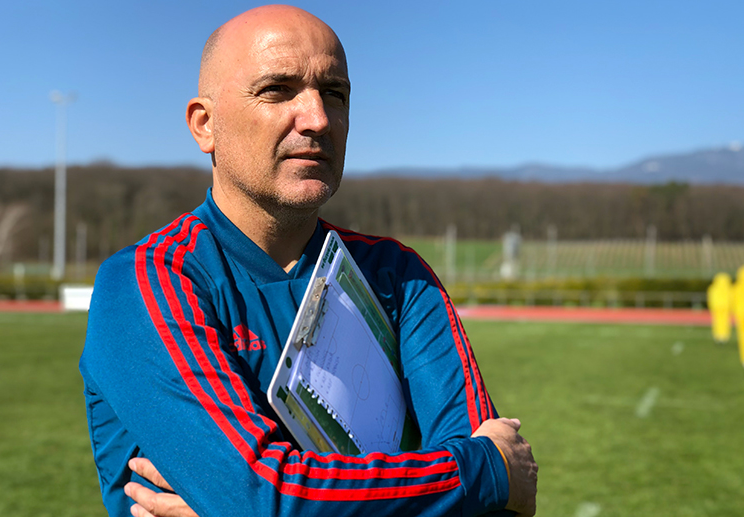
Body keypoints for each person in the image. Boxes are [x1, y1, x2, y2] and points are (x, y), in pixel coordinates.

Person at [79, 5, 537, 517]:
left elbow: (491, 515)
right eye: (277, 90)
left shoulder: (399, 276)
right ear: (204, 125)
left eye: (334, 93)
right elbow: (265, 498)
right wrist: (486, 472)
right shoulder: (148, 282)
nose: (318, 118)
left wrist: (247, 503)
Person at [707, 272, 733, 344]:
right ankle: (724, 336)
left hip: (717, 307)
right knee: (725, 321)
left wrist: (712, 306)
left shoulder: (713, 288)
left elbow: (711, 298)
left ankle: (718, 335)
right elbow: (732, 298)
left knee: (717, 321)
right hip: (726, 307)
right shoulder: (729, 288)